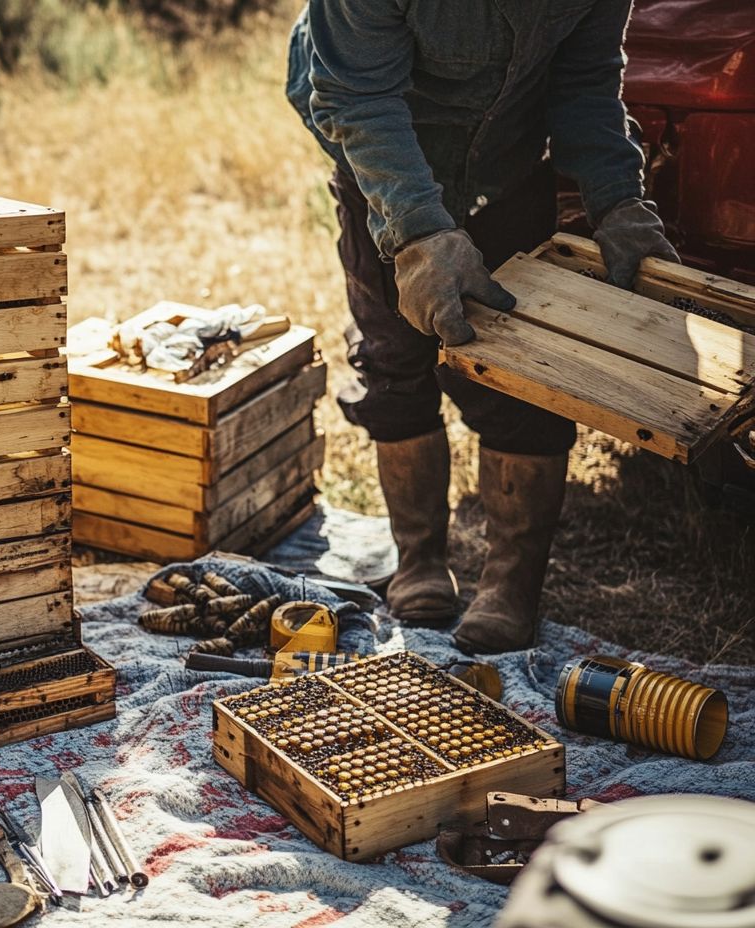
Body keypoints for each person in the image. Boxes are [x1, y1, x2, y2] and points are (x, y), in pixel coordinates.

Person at [286, 0, 679, 653]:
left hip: (508, 159)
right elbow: (358, 96)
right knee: (394, 354)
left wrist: (619, 200)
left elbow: (584, 85)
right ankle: (419, 559)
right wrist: (419, 236)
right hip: (384, 150)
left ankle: (511, 586)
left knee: (524, 371)